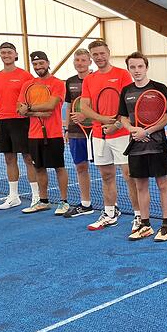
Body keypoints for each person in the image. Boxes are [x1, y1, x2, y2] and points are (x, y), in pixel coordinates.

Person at [80, 40, 139, 231]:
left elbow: (130, 104)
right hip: (99, 135)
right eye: (95, 54)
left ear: (108, 53)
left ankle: (139, 216)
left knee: (130, 175)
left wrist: (115, 124)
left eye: (102, 53)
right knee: (106, 175)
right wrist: (104, 120)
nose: (99, 57)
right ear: (91, 57)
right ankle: (110, 213)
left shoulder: (122, 75)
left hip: (122, 134)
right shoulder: (89, 79)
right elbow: (84, 107)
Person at [118, 52, 167, 242]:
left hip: (157, 145)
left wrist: (147, 131)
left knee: (162, 184)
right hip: (135, 147)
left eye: (140, 66)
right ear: (129, 69)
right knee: (140, 186)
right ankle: (145, 225)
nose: (136, 71)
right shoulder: (126, 91)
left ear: (146, 67)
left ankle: (166, 225)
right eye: (132, 67)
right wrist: (132, 128)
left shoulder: (159, 88)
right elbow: (123, 116)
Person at [16, 51, 69, 214]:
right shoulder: (27, 85)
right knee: (38, 168)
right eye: (35, 64)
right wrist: (37, 113)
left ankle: (64, 202)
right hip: (34, 135)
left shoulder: (58, 83)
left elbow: (50, 105)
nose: (39, 67)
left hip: (53, 134)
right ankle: (43, 200)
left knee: (59, 167)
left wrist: (30, 109)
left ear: (47, 63)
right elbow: (19, 109)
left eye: (41, 63)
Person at [0, 42, 38, 210]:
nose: (6, 55)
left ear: (15, 54)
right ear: (0, 55)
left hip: (21, 121)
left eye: (9, 52)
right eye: (3, 52)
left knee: (28, 158)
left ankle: (36, 197)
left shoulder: (25, 76)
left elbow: (32, 98)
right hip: (2, 121)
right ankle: (13, 196)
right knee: (9, 159)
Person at [62, 48, 94, 218]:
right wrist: (67, 128)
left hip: (96, 130)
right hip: (76, 131)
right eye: (77, 60)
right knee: (80, 167)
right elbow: (69, 106)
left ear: (90, 62)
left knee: (107, 170)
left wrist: (87, 115)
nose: (80, 63)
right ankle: (86, 204)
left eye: (83, 60)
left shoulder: (96, 79)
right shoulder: (70, 82)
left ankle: (112, 206)